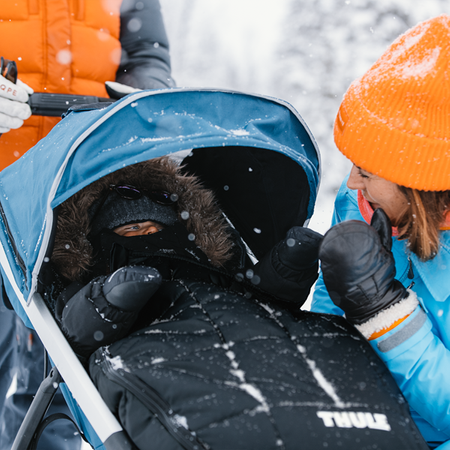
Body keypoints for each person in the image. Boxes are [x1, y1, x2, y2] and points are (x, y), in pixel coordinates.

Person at [0, 1, 175, 448]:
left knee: (60, 370)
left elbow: (146, 53)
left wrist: (139, 98)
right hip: (5, 180)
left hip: (79, 192)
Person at [311, 14, 450, 450]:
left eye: (366, 171)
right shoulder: (360, 205)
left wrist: (385, 315)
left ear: (420, 181)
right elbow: (327, 333)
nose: (351, 183)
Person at [48, 156, 322, 361]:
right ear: (103, 237)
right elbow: (76, 330)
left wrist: (286, 268)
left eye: (157, 226)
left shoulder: (203, 260)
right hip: (157, 354)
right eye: (133, 228)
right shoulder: (98, 271)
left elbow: (256, 302)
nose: (148, 231)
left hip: (243, 343)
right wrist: (110, 302)